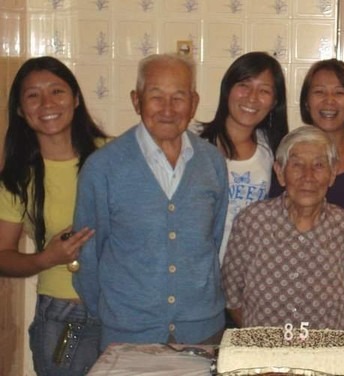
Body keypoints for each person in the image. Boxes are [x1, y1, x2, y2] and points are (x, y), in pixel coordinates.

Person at [73, 53, 229, 350]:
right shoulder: (103, 167)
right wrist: (117, 316)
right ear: (136, 101)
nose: (168, 109)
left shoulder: (212, 162)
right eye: (156, 97)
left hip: (203, 332)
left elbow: (213, 239)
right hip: (126, 337)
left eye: (178, 97)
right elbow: (87, 256)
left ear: (194, 103)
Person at [0, 56, 107, 375]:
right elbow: (3, 255)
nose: (46, 102)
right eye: (32, 95)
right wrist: (48, 257)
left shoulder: (113, 156)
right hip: (65, 318)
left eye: (57, 91)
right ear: (20, 109)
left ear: (75, 98)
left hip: (122, 313)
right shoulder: (17, 179)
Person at [222, 125, 344, 331]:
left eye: (318, 165)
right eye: (297, 165)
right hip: (268, 354)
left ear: (332, 174)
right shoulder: (252, 222)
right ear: (280, 172)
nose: (308, 176)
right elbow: (232, 294)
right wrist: (269, 341)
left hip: (329, 353)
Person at [196, 51, 289, 264]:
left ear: (274, 102)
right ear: (228, 89)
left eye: (264, 90)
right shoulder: (194, 141)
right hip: (197, 274)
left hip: (249, 276)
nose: (252, 98)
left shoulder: (275, 149)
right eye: (244, 85)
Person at [271, 59, 344, 209]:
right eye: (319, 92)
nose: (329, 100)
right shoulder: (287, 156)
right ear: (306, 102)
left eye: (339, 93)